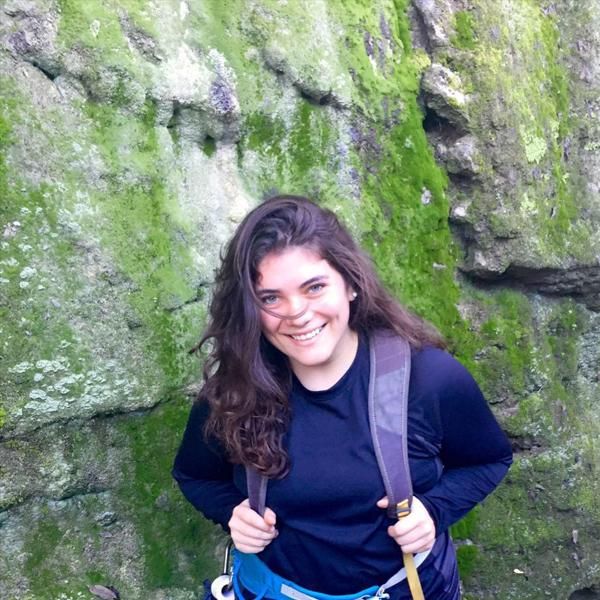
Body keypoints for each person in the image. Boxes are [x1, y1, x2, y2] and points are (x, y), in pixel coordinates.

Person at [172, 195, 513, 600]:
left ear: (350, 283)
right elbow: (194, 475)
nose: (296, 312)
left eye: (314, 287)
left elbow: (489, 459)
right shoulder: (233, 393)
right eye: (270, 298)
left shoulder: (428, 379)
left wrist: (434, 511)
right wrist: (234, 514)